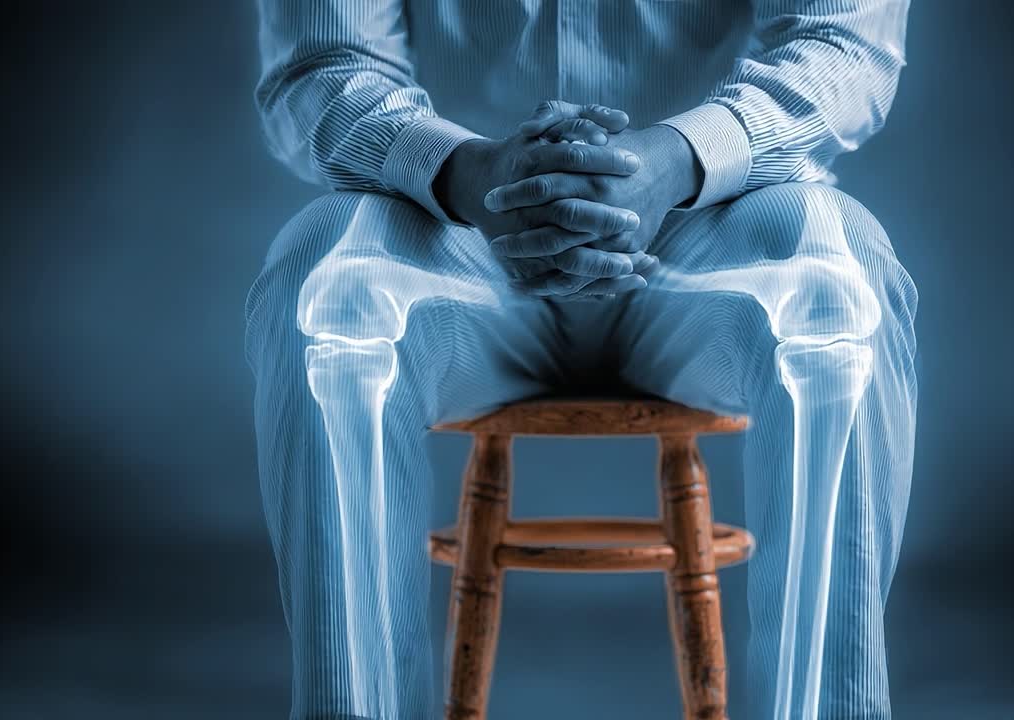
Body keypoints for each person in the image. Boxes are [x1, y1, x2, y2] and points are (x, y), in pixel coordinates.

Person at [245, 1, 918, 717]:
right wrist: (468, 171)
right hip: (459, 237)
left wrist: (680, 158)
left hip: (710, 235)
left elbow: (843, 44)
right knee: (325, 283)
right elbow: (320, 64)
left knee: (839, 282)